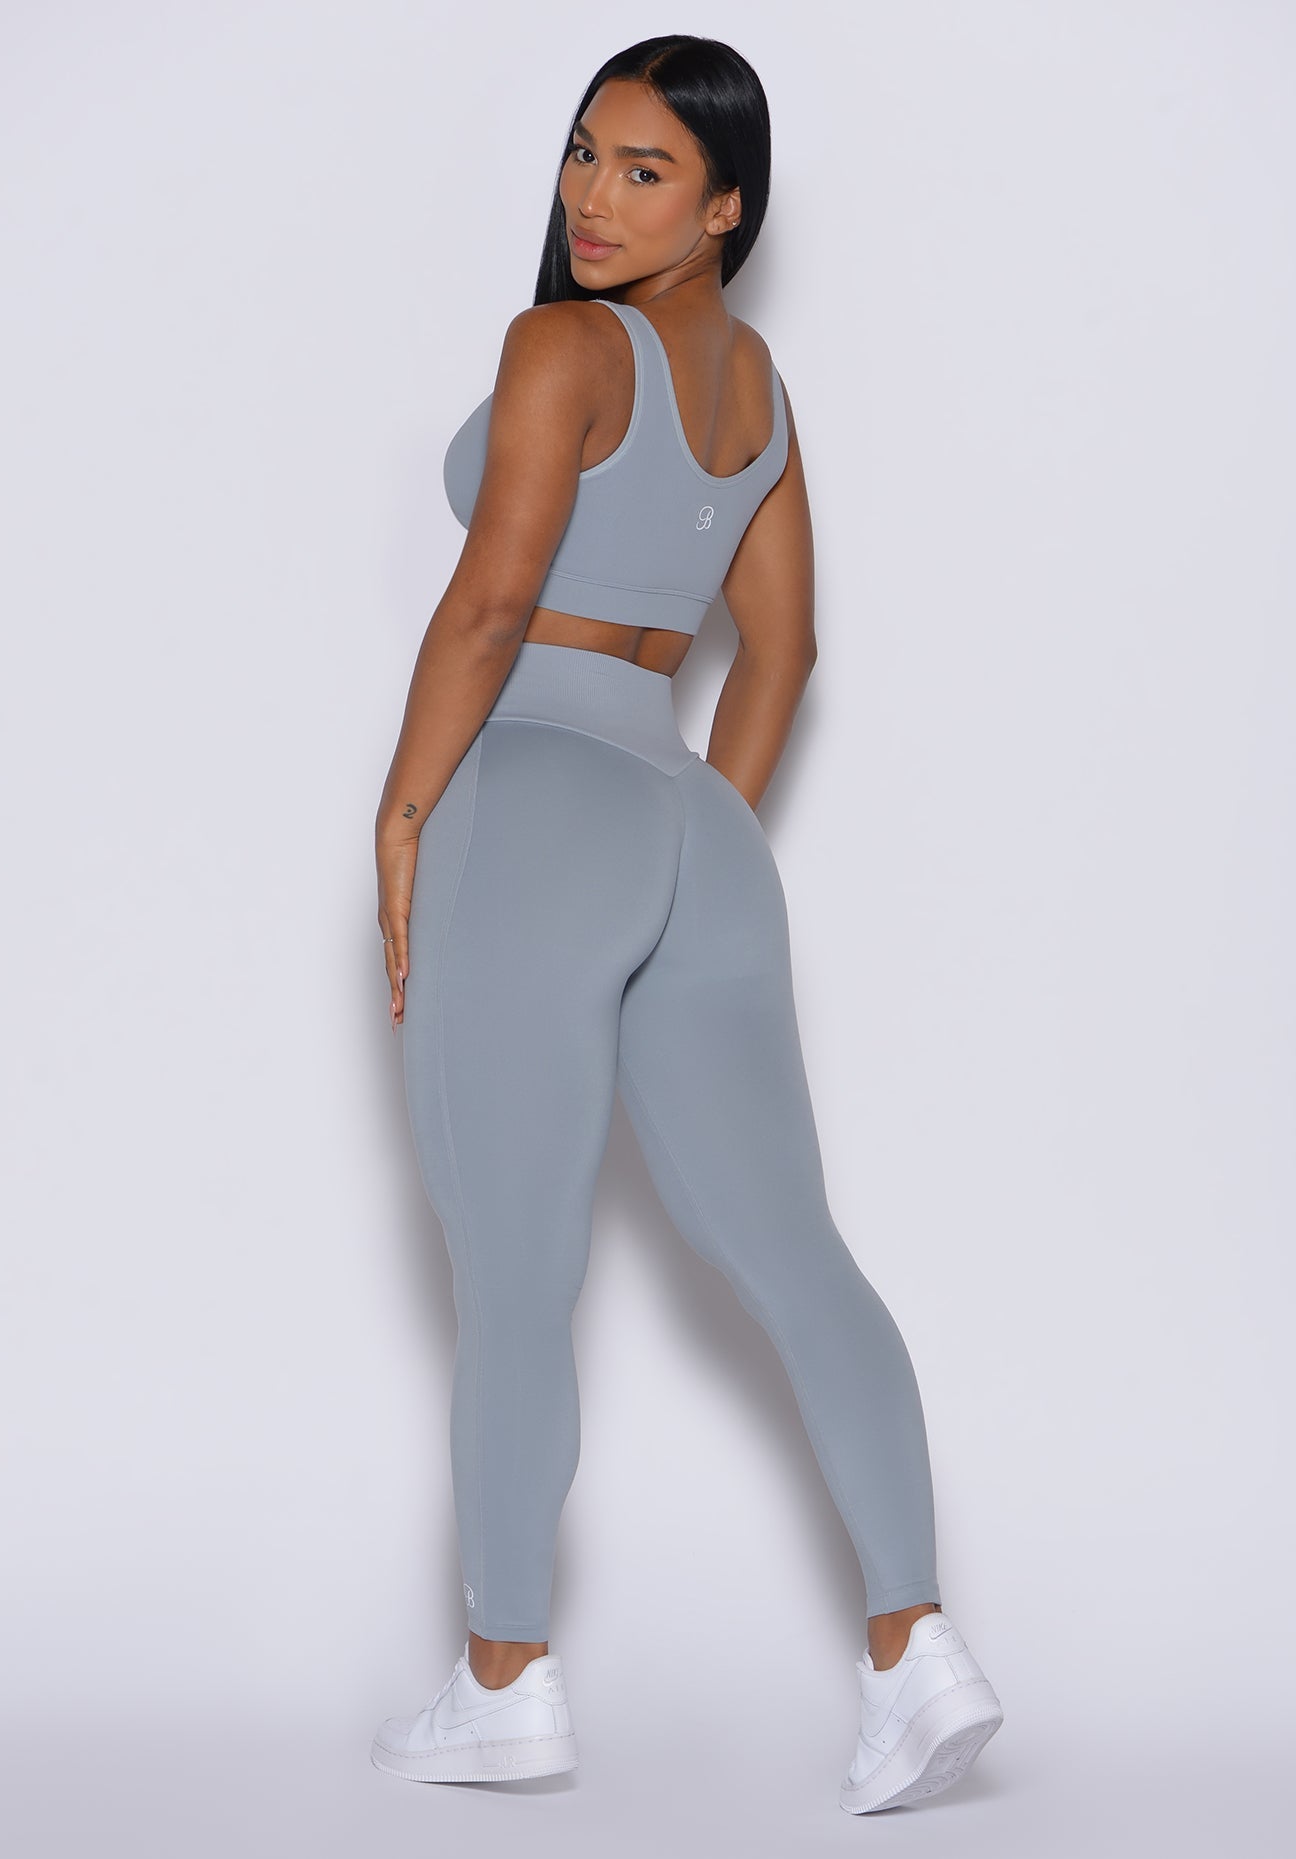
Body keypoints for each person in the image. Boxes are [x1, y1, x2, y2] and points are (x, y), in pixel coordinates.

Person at [368, 35, 1003, 1813]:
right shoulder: (758, 387)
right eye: (585, 152)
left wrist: (405, 813)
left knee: (515, 1267)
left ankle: (506, 1681)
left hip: (532, 797)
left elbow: (492, 605)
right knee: (797, 1255)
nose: (592, 194)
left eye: (644, 170)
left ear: (727, 205)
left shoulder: (564, 348)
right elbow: (781, 648)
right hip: (691, 827)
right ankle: (917, 1652)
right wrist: (697, 823)